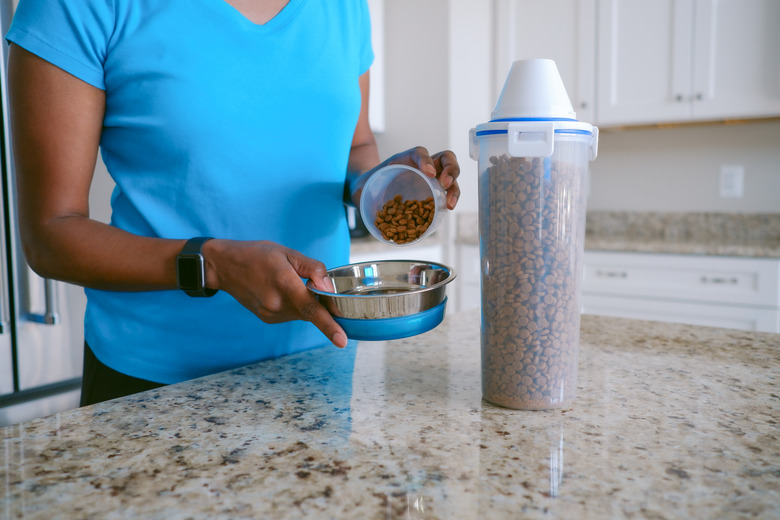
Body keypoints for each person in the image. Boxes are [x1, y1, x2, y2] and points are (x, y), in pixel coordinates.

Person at [5, 0, 461, 405]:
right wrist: (215, 265)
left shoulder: (344, 6)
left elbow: (356, 148)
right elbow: (50, 234)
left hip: (319, 367)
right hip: (156, 383)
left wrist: (383, 184)